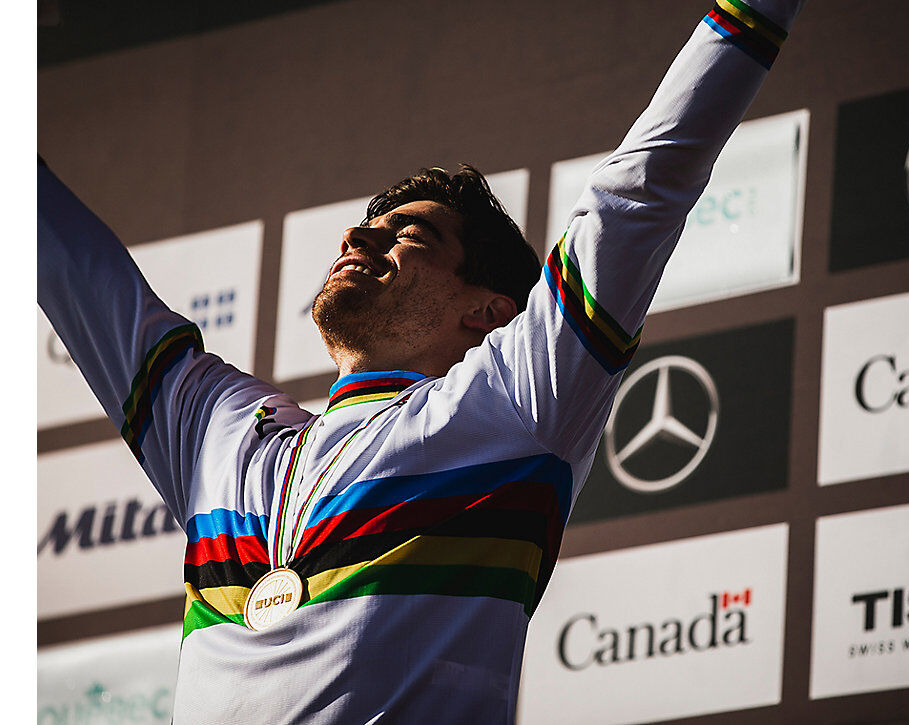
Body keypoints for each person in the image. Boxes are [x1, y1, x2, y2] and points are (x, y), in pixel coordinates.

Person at [38, 1, 804, 722]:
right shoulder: (224, 436)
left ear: (489, 311)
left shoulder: (510, 403)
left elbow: (638, 192)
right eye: (367, 225)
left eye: (410, 234)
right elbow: (77, 273)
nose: (358, 236)